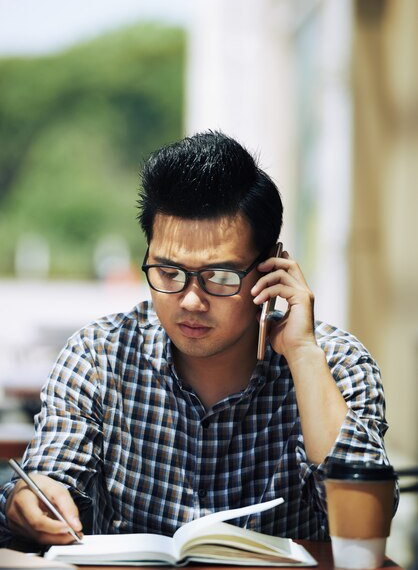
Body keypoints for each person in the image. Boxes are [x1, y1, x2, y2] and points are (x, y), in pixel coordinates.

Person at [0, 131, 397, 546]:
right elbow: (48, 477)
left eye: (219, 276)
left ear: (272, 268)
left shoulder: (335, 362)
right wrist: (31, 500)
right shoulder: (99, 356)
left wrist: (302, 355)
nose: (190, 300)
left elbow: (367, 526)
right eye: (168, 273)